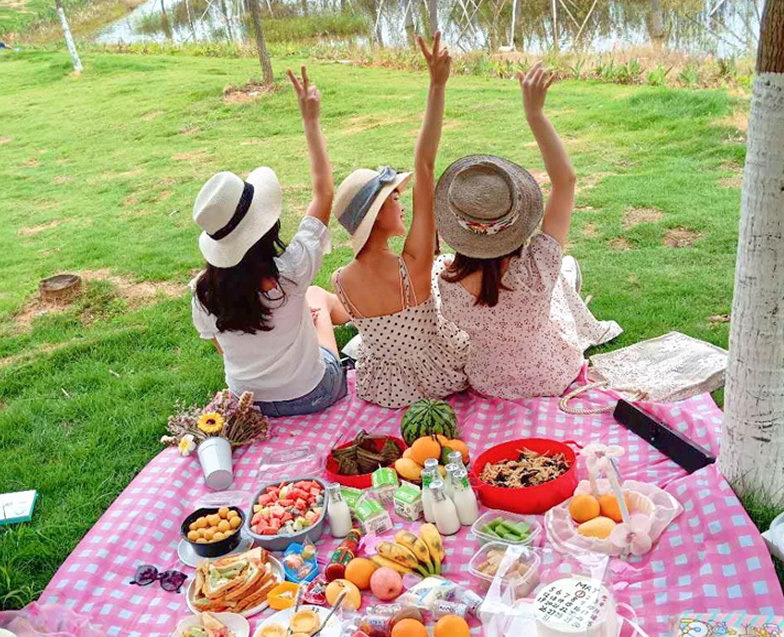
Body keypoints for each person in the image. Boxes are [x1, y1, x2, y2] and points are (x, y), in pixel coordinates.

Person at [435, 63, 620, 400]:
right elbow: (566, 181)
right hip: (551, 375)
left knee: (557, 281)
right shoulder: (538, 266)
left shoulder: (447, 283)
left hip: (488, 382)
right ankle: (570, 279)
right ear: (516, 217)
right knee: (559, 278)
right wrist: (535, 115)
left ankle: (567, 279)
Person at [191, 67, 350, 418]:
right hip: (312, 393)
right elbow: (324, 191)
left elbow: (225, 350)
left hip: (249, 404)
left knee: (306, 303)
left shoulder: (203, 293)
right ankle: (364, 318)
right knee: (316, 298)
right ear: (267, 227)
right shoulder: (292, 270)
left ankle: (335, 321)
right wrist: (310, 120)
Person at [331, 33, 468, 409]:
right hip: (434, 377)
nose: (401, 203)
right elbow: (425, 165)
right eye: (393, 198)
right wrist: (437, 85)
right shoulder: (413, 265)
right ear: (376, 217)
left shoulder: (339, 280)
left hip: (383, 387)